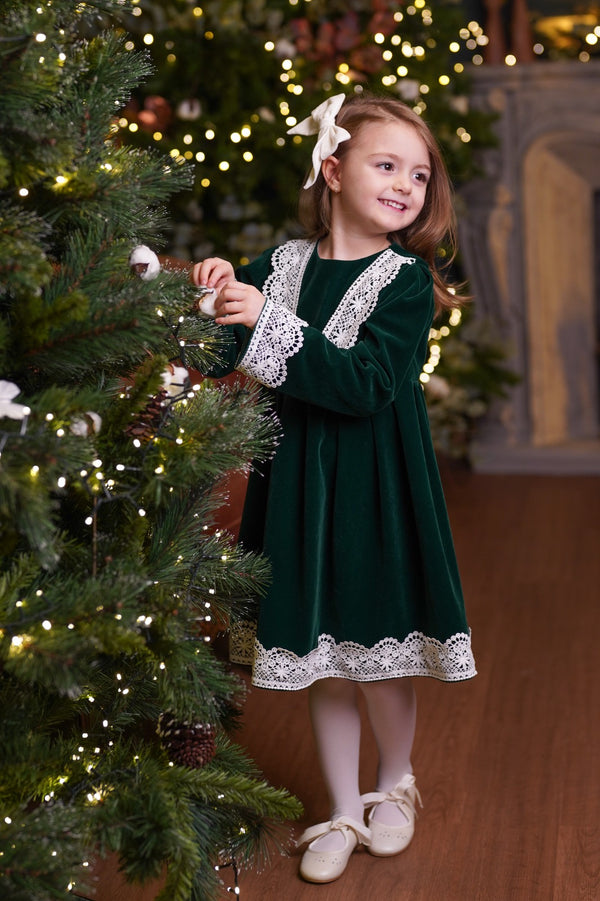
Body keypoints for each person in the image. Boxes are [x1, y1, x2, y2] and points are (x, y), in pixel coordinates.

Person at [192, 91, 476, 884]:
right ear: (333, 167)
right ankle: (344, 804)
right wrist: (214, 290)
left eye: (418, 175)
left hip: (375, 489)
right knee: (321, 654)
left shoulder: (403, 282)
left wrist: (269, 325)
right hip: (297, 491)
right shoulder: (282, 267)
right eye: (386, 165)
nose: (405, 185)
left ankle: (396, 783)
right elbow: (221, 350)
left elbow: (363, 384)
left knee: (377, 651)